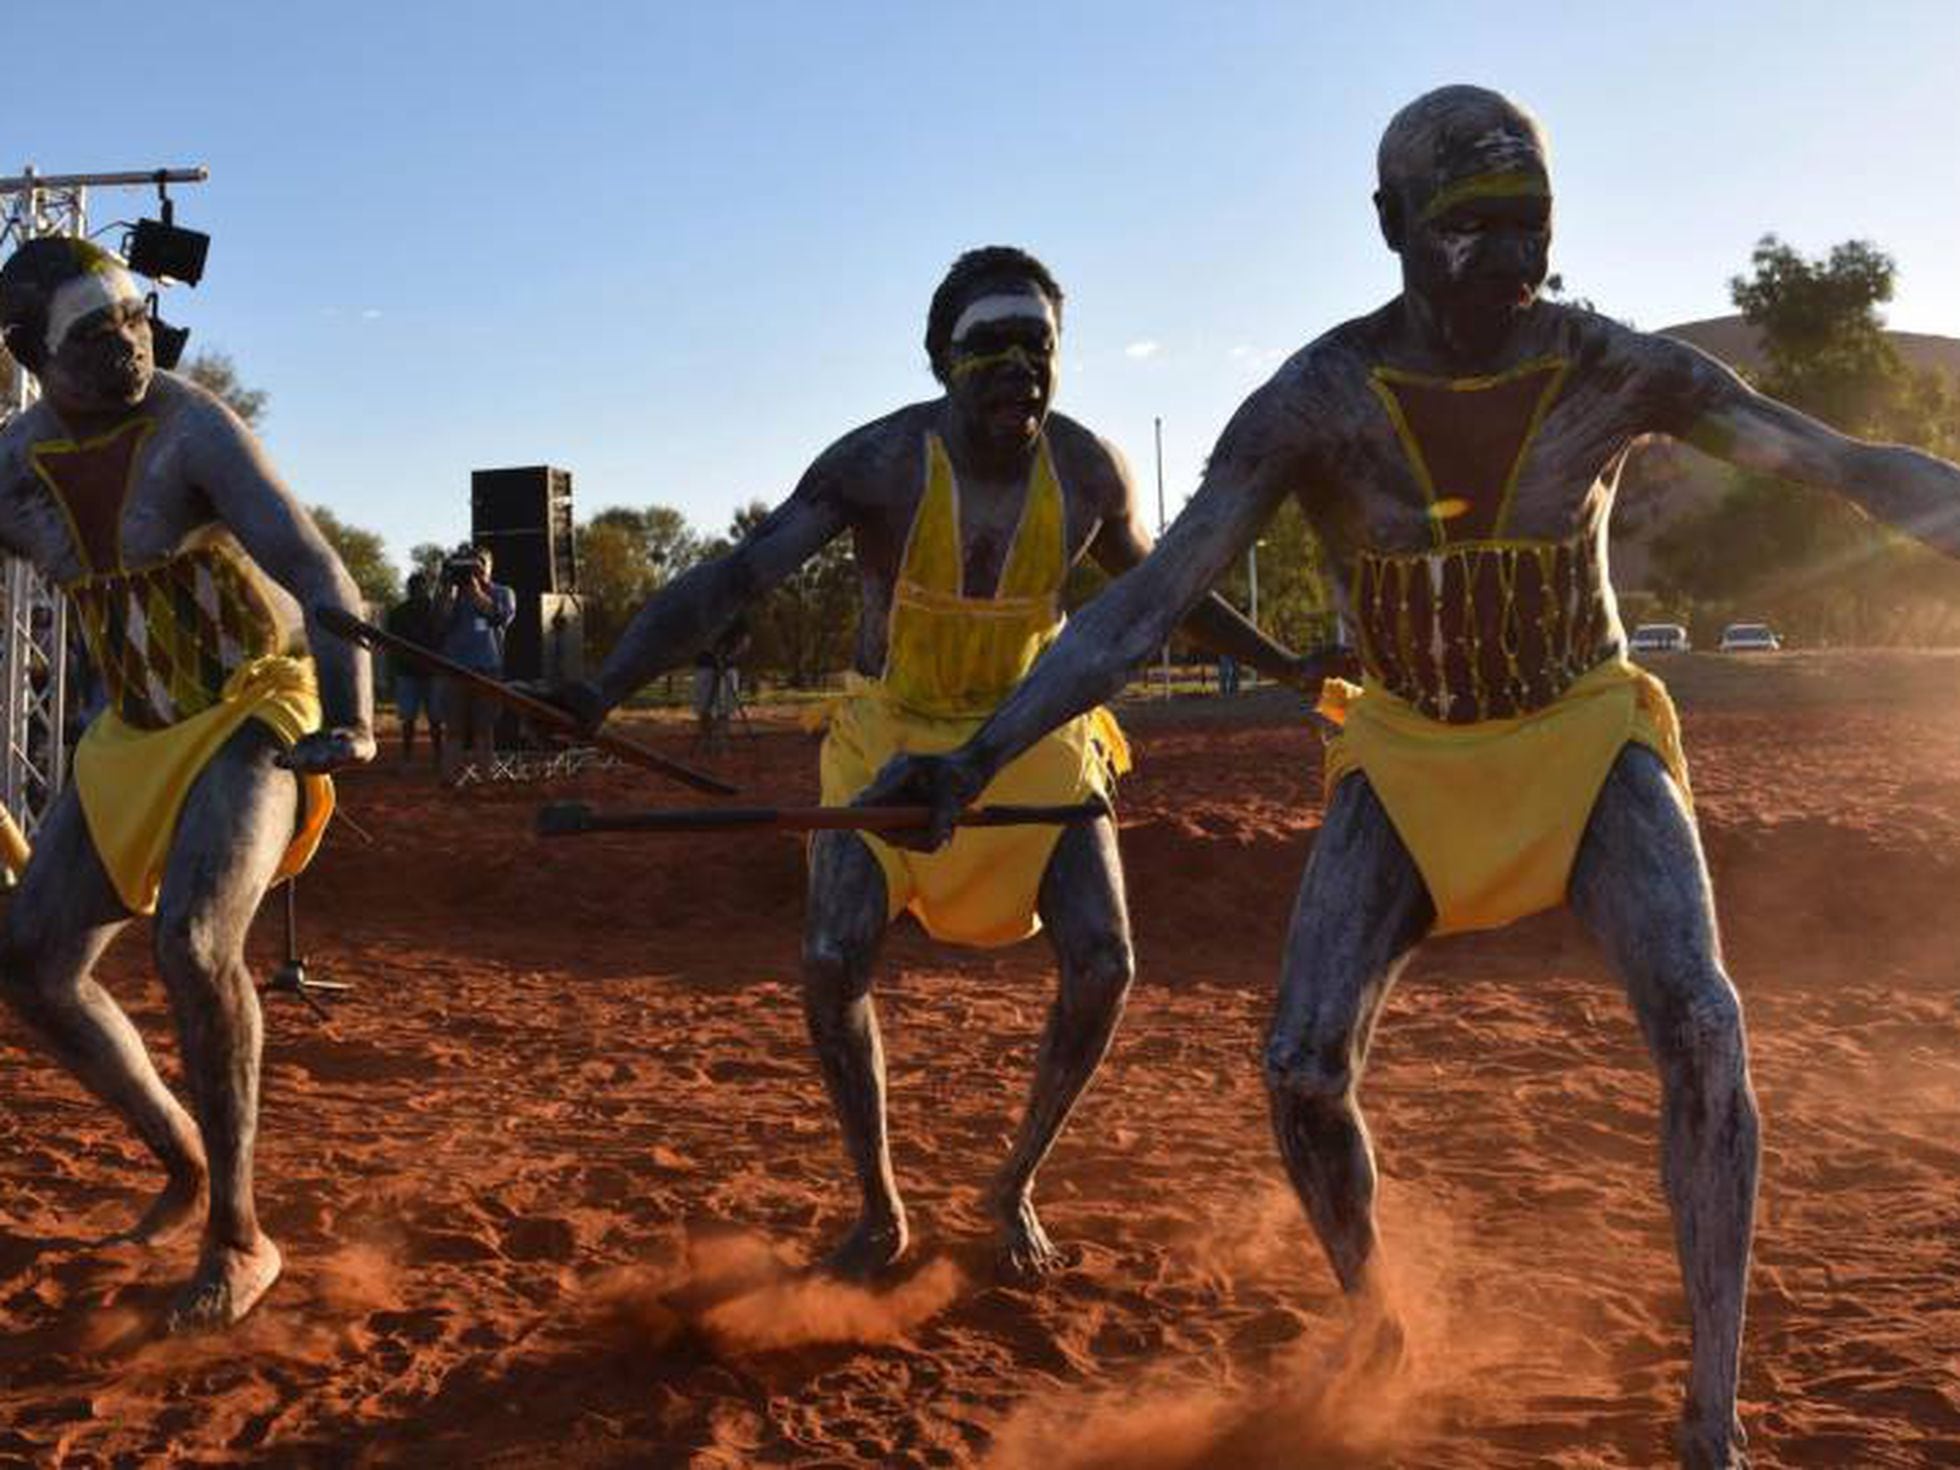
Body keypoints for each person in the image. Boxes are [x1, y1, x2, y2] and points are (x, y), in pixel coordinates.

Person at [857, 90, 1960, 1468]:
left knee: (1702, 1023)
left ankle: (1713, 1422)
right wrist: (969, 755)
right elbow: (1142, 610)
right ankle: (1378, 1312)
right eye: (1468, 231)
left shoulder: (1616, 369)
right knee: (1302, 1068)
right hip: (1406, 758)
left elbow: (1847, 466)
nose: (1508, 263)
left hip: (1584, 739)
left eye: (1531, 229)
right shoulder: (1316, 402)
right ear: (1389, 228)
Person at [553, 246, 1329, 1277]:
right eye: (988, 346)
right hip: (887, 738)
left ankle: (1012, 1187)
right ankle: (879, 1210)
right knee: (832, 963)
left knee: (1104, 964)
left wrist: (1288, 664)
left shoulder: (1089, 472)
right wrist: (602, 686)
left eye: (1036, 345)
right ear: (939, 360)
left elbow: (1163, 595)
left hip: (1033, 737)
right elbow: (736, 579)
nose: (1016, 365)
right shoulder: (875, 465)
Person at [0, 238, 374, 1330]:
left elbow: (316, 570)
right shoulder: (13, 462)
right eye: (95, 332)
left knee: (195, 941)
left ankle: (240, 1237)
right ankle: (188, 1160)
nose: (130, 344)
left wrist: (351, 717)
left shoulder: (192, 424)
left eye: (135, 316)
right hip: (136, 729)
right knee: (31, 962)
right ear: (29, 352)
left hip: (254, 705)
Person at [432, 543, 514, 784]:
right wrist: (448, 588)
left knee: (484, 729)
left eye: (479, 564)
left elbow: (498, 616)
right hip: (454, 667)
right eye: (469, 564)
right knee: (454, 729)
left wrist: (475, 590)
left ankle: (485, 781)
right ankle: (450, 780)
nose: (473, 570)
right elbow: (439, 623)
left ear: (490, 566)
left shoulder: (502, 592)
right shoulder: (453, 594)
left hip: (488, 667)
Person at [383, 570, 442, 766]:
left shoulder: (436, 611)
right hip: (408, 673)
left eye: (420, 587)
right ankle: (408, 757)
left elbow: (442, 639)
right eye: (414, 588)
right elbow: (390, 645)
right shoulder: (398, 613)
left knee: (435, 718)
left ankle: (438, 757)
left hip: (432, 673)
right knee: (409, 719)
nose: (417, 591)